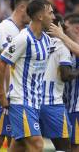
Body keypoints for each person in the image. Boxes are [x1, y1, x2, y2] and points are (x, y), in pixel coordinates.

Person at [0, 0, 55, 152]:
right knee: (37, 144)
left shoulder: (47, 40)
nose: (53, 17)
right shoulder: (23, 38)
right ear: (40, 16)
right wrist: (2, 95)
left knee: (19, 146)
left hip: (35, 102)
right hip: (20, 100)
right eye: (50, 12)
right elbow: (0, 63)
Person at [0, 0, 36, 149]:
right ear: (22, 8)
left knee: (17, 142)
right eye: (31, 10)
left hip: (18, 97)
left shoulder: (26, 31)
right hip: (4, 96)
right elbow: (3, 64)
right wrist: (3, 94)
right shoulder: (4, 29)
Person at [39, 15, 75, 151]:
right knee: (64, 147)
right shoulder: (62, 47)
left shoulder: (38, 44)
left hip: (34, 103)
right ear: (58, 27)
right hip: (53, 104)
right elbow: (65, 75)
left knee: (29, 145)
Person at [61, 13, 79, 152]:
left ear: (76, 29)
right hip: (66, 106)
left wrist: (62, 35)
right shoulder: (66, 48)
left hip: (77, 108)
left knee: (74, 146)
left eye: (66, 28)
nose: (63, 31)